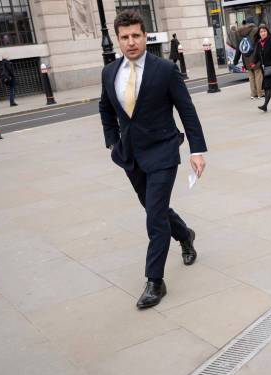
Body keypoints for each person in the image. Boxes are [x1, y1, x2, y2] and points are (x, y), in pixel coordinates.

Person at [98, 11, 207, 309]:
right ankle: (185, 235)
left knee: (154, 216)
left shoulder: (165, 69)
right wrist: (112, 142)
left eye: (136, 35)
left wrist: (196, 150)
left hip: (163, 151)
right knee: (153, 207)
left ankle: (155, 281)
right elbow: (105, 108)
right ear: (117, 39)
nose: (130, 42)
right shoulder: (109, 73)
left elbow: (187, 110)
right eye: (124, 37)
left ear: (145, 36)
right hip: (130, 155)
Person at [250, 24, 271, 111]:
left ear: (267, 32)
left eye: (264, 31)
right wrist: (253, 63)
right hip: (265, 69)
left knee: (267, 86)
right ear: (259, 33)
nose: (263, 33)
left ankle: (265, 105)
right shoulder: (259, 43)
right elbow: (257, 55)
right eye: (261, 32)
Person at [232, 20, 264, 99]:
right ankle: (260, 93)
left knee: (251, 77)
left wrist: (235, 60)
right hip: (255, 57)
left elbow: (238, 49)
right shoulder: (255, 30)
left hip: (246, 58)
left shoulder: (239, 33)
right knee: (258, 75)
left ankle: (253, 94)